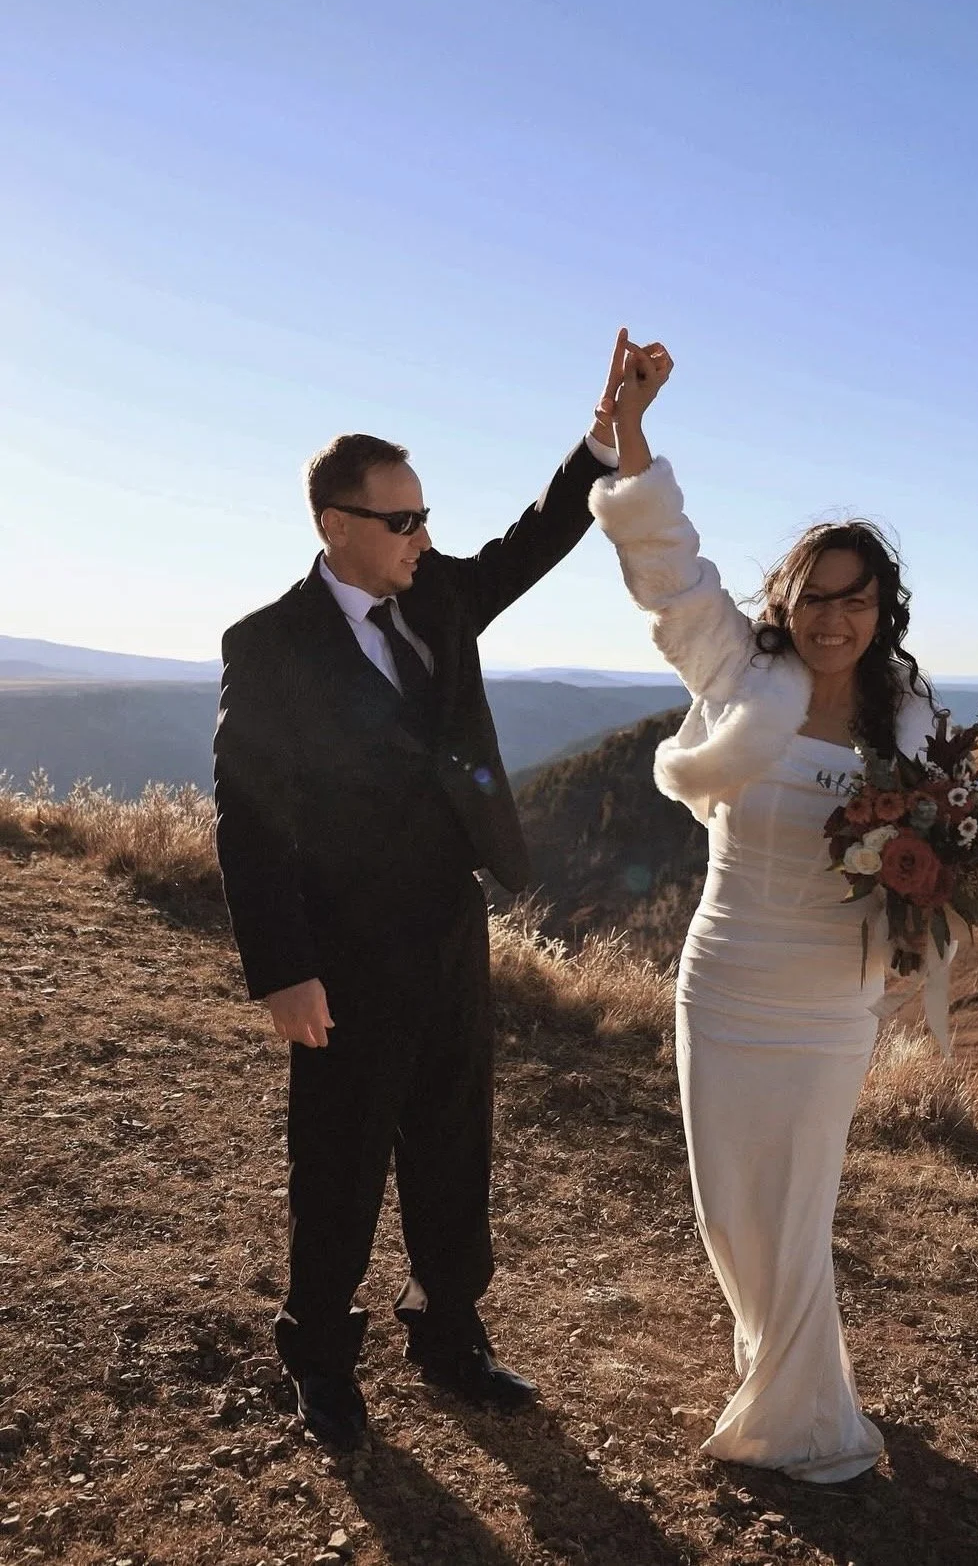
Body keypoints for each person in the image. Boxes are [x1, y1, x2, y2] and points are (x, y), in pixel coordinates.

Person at [212, 329, 663, 1451]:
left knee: (457, 1136)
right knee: (341, 1154)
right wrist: (284, 971)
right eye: (402, 520)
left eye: (425, 516)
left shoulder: (441, 596)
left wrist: (601, 440)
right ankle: (320, 1354)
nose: (425, 536)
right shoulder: (267, 646)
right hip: (340, 948)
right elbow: (248, 820)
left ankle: (449, 1332)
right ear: (336, 527)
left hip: (450, 921)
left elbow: (535, 541)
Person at [589, 344, 938, 1483]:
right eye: (815, 595)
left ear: (882, 608)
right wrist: (631, 435)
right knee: (729, 1209)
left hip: (832, 997)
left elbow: (933, 855)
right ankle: (772, 1358)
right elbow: (670, 572)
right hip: (729, 974)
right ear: (786, 600)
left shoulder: (910, 720)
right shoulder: (741, 676)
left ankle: (804, 1411)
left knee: (798, 1208)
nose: (834, 617)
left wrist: (919, 933)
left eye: (856, 597)